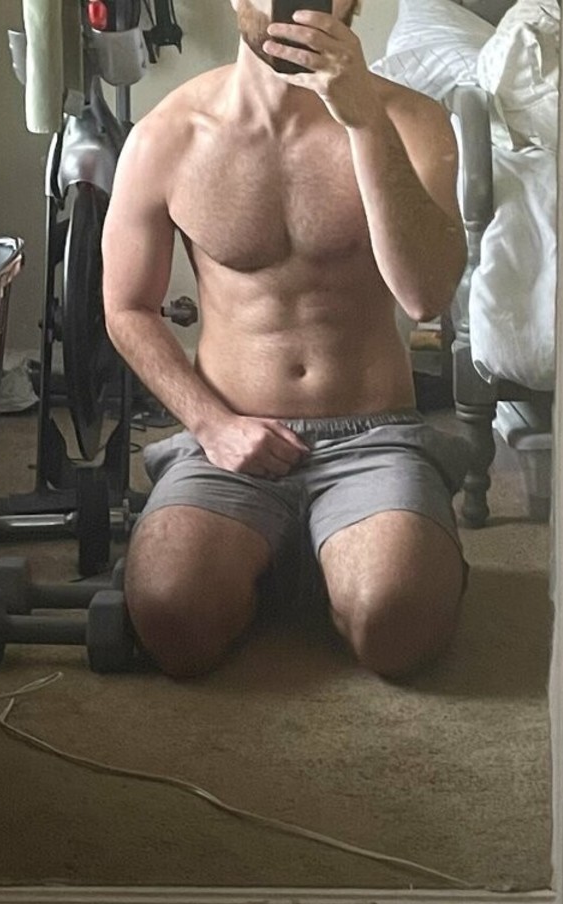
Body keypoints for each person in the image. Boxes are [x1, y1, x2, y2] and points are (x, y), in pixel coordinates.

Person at [102, 0, 473, 680]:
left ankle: (344, 561)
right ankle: (297, 560)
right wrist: (212, 425)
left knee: (399, 627)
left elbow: (426, 295)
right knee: (170, 616)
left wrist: (363, 120)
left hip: (374, 436)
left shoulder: (411, 120)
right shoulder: (167, 135)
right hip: (230, 438)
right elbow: (127, 308)